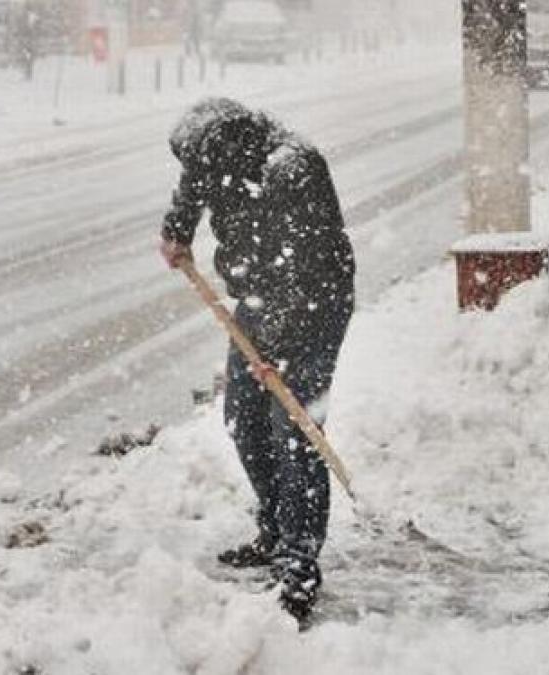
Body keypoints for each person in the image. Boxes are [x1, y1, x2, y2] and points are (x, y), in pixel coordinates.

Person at [158, 97, 355, 621]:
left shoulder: (294, 168)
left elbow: (305, 262)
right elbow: (192, 187)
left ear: (234, 152)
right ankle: (274, 528)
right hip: (260, 303)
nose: (199, 176)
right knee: (244, 420)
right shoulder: (216, 162)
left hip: (315, 304)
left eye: (205, 166)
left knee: (294, 431)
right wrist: (177, 230)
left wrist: (278, 349)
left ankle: (299, 564)